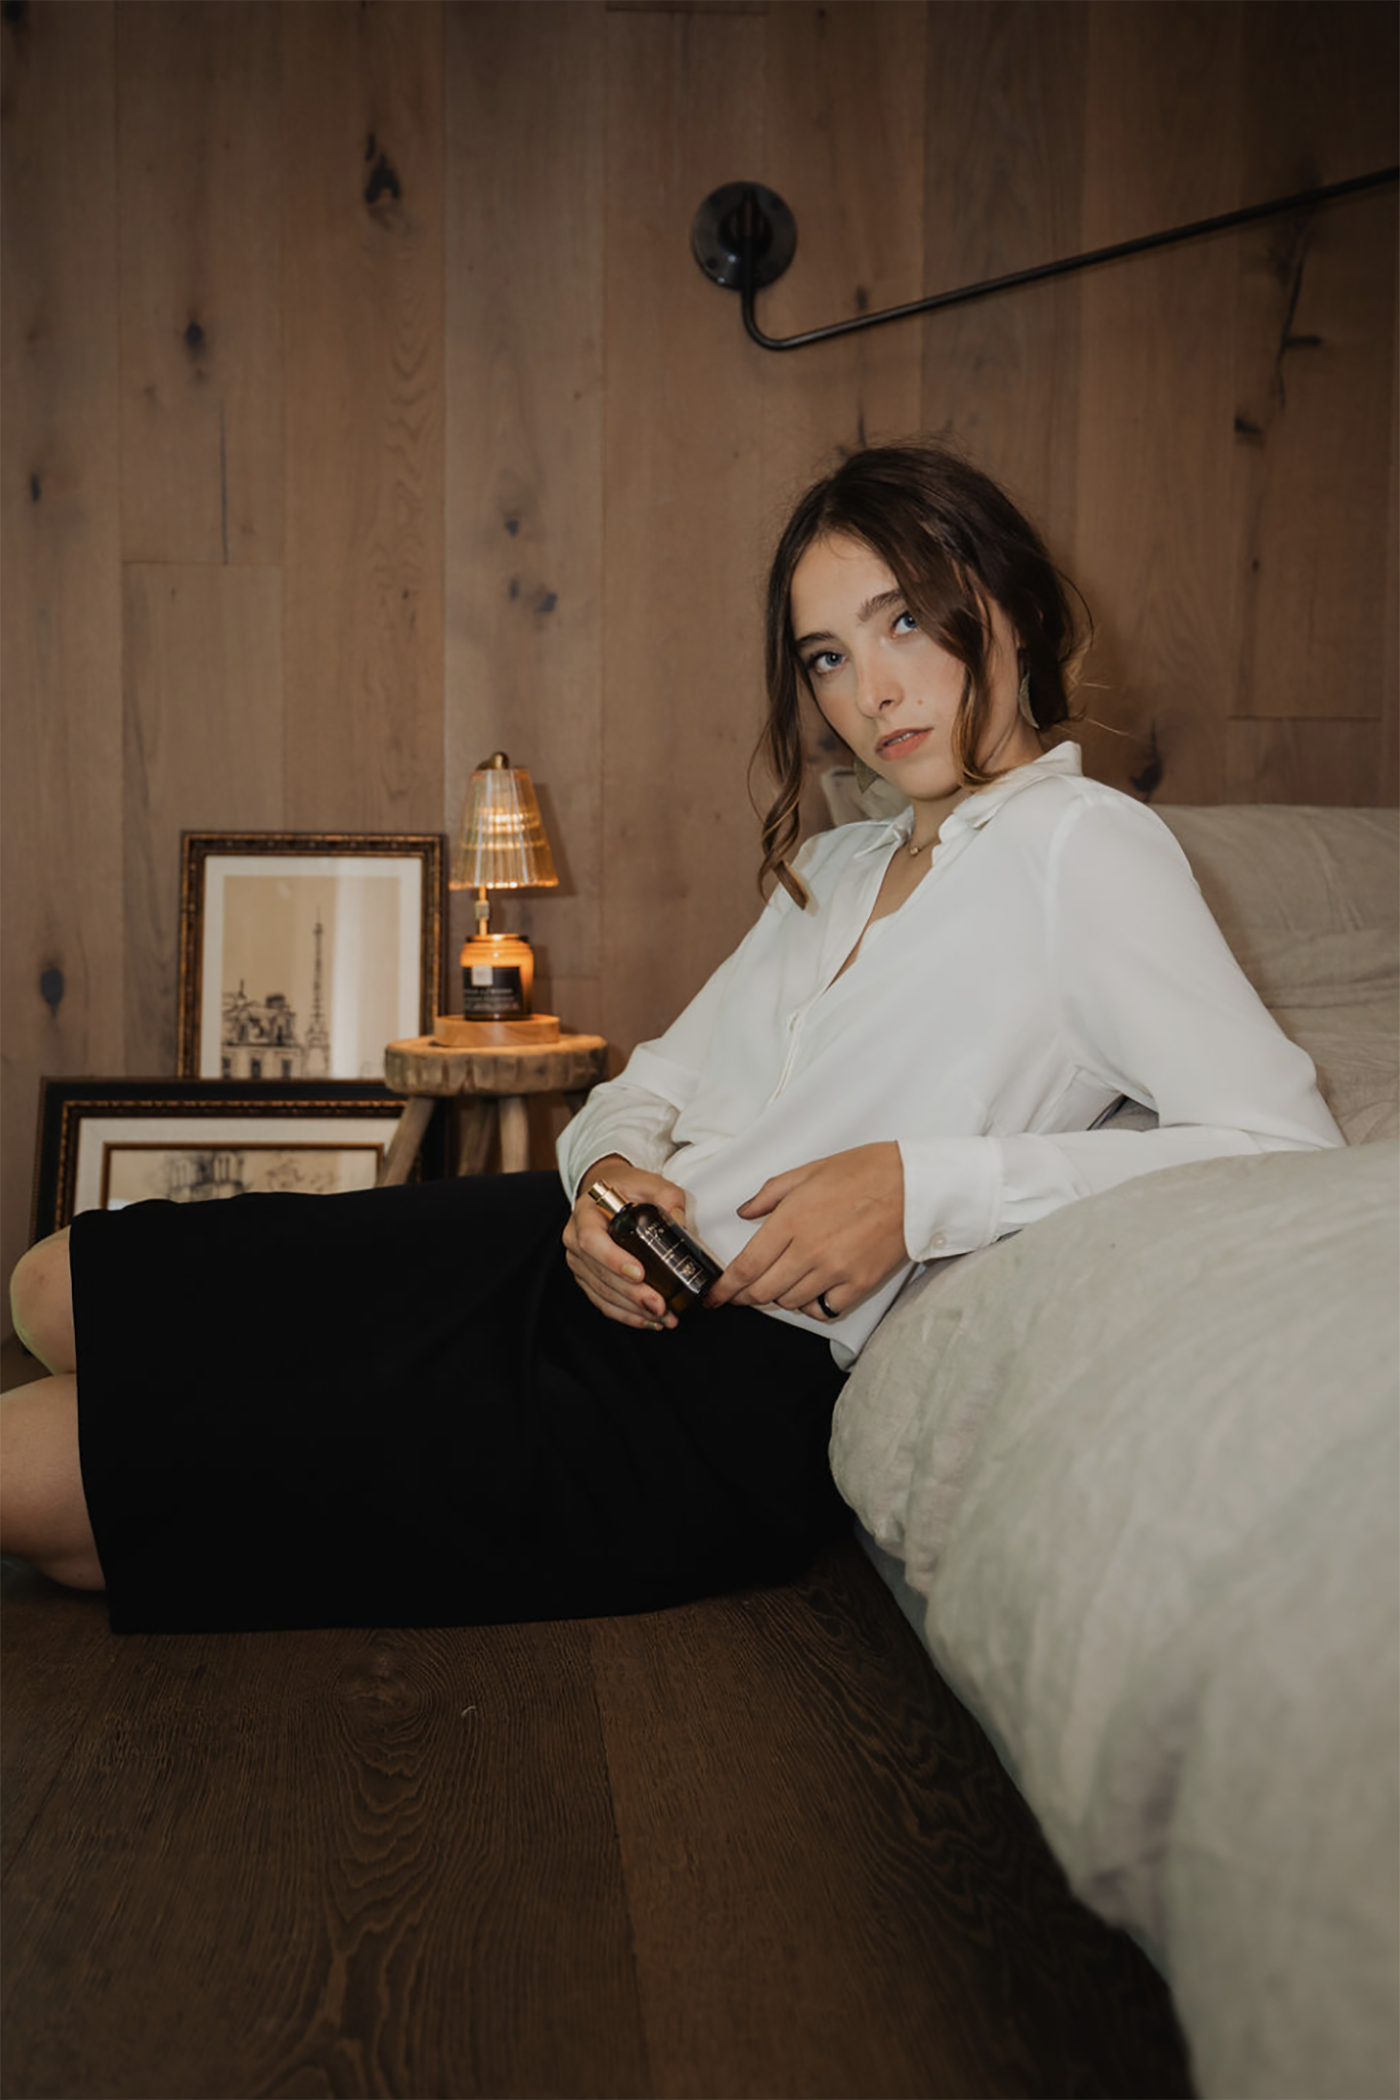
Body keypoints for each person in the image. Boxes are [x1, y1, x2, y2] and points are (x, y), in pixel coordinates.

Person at [5, 440, 1342, 1634]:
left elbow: (1281, 1139)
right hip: (574, 1255)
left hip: (713, 1393)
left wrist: (925, 1184)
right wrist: (603, 1184)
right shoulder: (851, 854)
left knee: (47, 1496)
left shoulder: (1089, 848)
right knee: (55, 1286)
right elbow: (654, 1085)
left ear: (1008, 605)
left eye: (906, 622)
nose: (872, 689)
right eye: (828, 655)